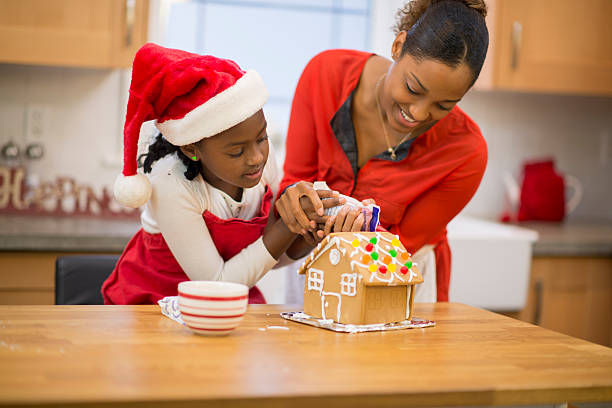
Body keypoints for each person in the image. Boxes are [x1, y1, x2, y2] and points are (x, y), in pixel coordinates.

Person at [279, 0, 489, 302]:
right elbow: (293, 183)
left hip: (400, 281)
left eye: (444, 105)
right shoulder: (325, 75)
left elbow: (399, 248)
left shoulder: (466, 153)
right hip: (316, 266)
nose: (418, 113)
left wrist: (362, 234)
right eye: (414, 89)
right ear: (398, 45)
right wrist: (296, 204)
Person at [101, 43, 343, 305]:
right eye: (236, 152)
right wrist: (286, 228)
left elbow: (268, 255)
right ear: (192, 148)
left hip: (230, 293)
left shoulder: (261, 161)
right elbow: (216, 283)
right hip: (157, 301)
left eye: (261, 138)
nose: (257, 157)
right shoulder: (171, 184)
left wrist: (306, 233)